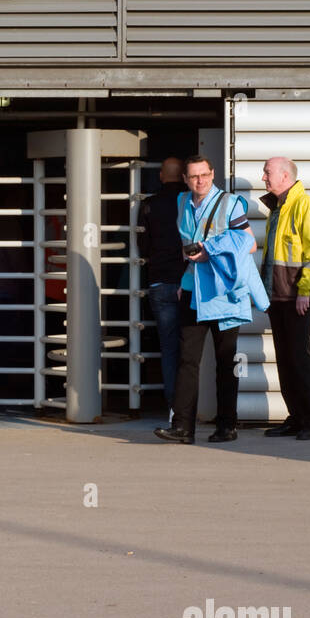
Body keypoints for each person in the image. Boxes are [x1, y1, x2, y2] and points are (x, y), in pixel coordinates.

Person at [154, 154, 260, 445]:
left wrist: (210, 250)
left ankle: (227, 426)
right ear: (185, 180)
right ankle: (183, 428)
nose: (199, 181)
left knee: (226, 361)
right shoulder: (182, 203)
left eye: (204, 175)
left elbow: (249, 243)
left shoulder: (229, 203)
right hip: (193, 290)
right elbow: (185, 245)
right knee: (188, 359)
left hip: (225, 292)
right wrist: (184, 278)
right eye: (193, 176)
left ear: (213, 175)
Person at [259, 157, 310, 441]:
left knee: (299, 357)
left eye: (267, 173)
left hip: (298, 296)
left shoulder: (306, 205)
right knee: (285, 358)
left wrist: (304, 291)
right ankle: (296, 417)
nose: (263, 178)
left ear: (284, 175)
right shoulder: (277, 209)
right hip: (278, 295)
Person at [138, 156, 186, 421]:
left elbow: (142, 245)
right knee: (189, 348)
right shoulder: (191, 203)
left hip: (159, 281)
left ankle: (173, 407)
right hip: (188, 282)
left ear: (160, 176)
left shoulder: (149, 205)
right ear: (184, 177)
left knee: (168, 348)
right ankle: (192, 404)